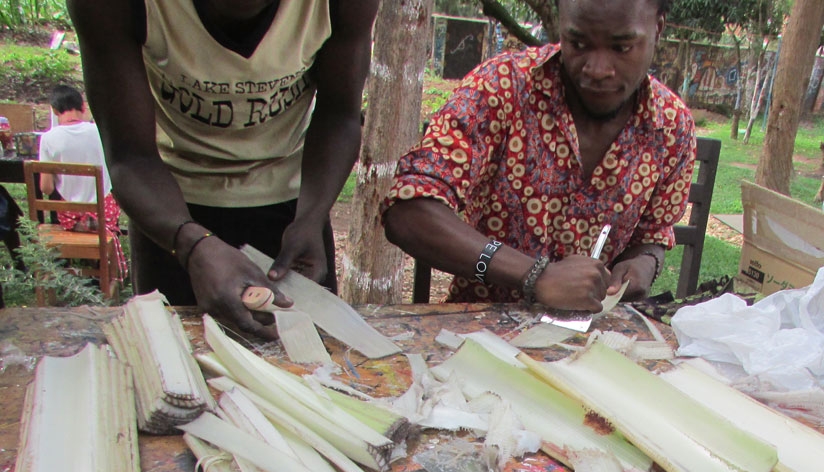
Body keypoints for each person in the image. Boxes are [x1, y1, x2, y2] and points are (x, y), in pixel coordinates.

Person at [67, 0, 379, 340]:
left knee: (311, 367)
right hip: (167, 208)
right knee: (174, 368)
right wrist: (190, 244)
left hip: (294, 211)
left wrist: (312, 216)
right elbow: (129, 155)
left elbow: (340, 114)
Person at [383, 0, 696, 313]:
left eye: (622, 47)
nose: (598, 69)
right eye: (578, 43)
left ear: (657, 28)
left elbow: (652, 234)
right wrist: (535, 276)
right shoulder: (501, 88)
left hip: (590, 342)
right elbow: (409, 210)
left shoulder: (671, 125)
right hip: (482, 333)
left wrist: (644, 263)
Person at [38, 84, 128, 281]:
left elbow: (46, 188)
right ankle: (99, 270)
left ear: (54, 111)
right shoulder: (100, 132)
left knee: (62, 203)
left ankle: (66, 269)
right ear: (83, 108)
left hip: (71, 219)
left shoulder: (48, 139)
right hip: (105, 216)